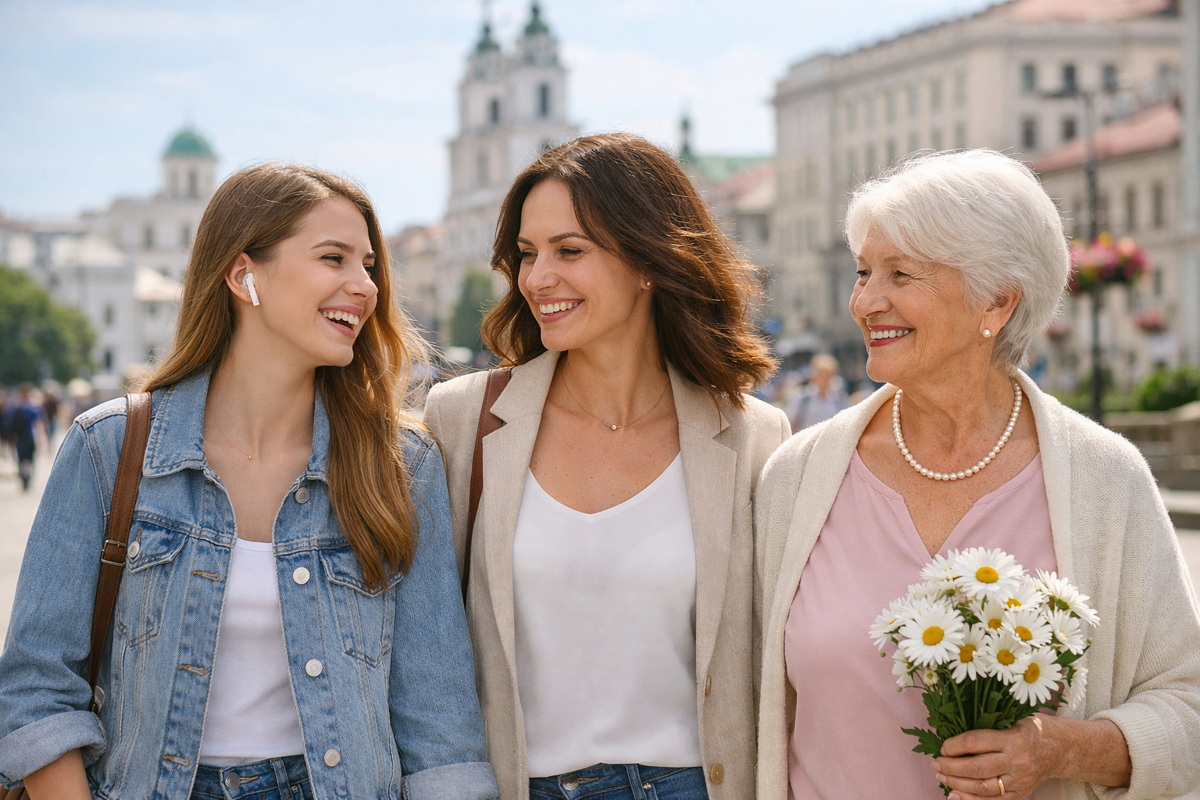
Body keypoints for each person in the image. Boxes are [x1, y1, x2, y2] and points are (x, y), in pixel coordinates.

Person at [0, 164, 499, 800]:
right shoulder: (111, 449)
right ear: (243, 276)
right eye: (334, 258)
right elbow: (36, 690)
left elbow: (439, 723)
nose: (364, 286)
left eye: (369, 265)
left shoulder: (401, 463)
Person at [755, 149, 1200, 800]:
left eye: (900, 274)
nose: (865, 300)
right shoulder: (797, 477)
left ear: (997, 299)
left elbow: (1187, 711)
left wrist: (1058, 750)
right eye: (863, 272)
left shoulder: (1105, 478)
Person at [424, 133, 791, 800]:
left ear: (648, 259)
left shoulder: (752, 436)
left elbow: (777, 660)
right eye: (528, 255)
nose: (537, 278)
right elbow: (425, 651)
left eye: (570, 251)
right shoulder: (462, 420)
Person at [784, 354, 849, 433]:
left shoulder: (840, 399)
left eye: (827, 374)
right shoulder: (801, 396)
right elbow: (791, 423)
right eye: (820, 374)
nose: (824, 378)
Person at [6, 384, 45, 492]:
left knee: (20, 459)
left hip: (19, 438)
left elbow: (9, 424)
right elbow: (38, 423)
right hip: (30, 437)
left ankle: (23, 478)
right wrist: (42, 437)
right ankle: (28, 479)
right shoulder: (33, 407)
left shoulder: (14, 407)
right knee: (30, 459)